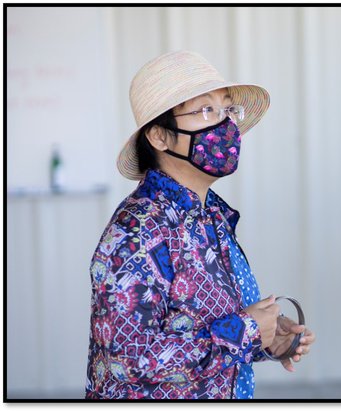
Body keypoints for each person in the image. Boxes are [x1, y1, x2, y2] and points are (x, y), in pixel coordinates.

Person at [88, 51, 314, 399]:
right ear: (160, 137)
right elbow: (127, 361)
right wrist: (247, 330)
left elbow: (199, 331)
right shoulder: (137, 229)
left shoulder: (212, 216)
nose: (225, 126)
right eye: (206, 110)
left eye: (227, 110)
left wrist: (267, 340)